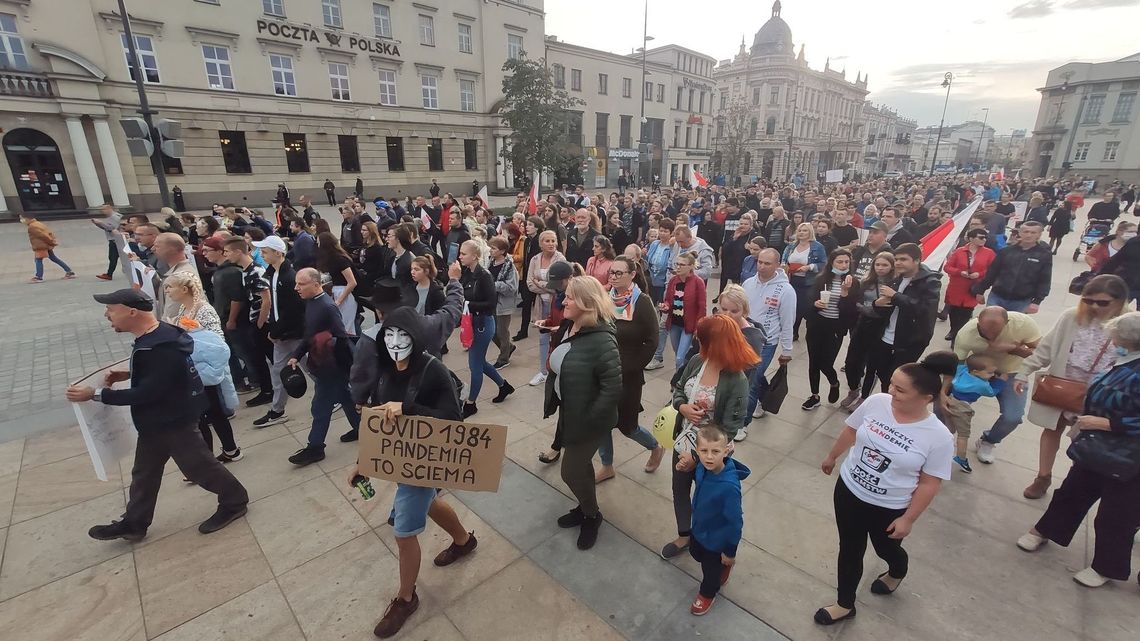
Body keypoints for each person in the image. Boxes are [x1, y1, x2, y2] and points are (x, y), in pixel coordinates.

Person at [67, 289, 249, 541]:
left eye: (111, 309)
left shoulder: (159, 346)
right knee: (144, 474)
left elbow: (147, 393)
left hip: (173, 423)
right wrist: (129, 373)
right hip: (156, 423)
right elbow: (163, 376)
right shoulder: (157, 337)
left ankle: (235, 501)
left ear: (132, 312)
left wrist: (95, 393)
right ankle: (134, 523)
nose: (107, 314)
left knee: (200, 468)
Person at [346, 306, 477, 638]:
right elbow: (381, 425)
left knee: (404, 532)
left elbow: (452, 420)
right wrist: (364, 463)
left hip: (427, 463)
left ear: (416, 338)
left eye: (402, 335)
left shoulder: (433, 370)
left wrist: (408, 408)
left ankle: (406, 598)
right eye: (388, 335)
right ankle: (464, 541)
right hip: (406, 460)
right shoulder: (386, 370)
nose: (394, 342)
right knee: (429, 504)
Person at [814, 352, 957, 626]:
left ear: (926, 398)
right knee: (850, 548)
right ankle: (845, 604)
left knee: (886, 549)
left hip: (890, 508)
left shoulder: (938, 436)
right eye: (892, 383)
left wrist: (908, 518)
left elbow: (930, 482)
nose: (891, 391)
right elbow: (852, 431)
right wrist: (832, 457)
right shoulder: (877, 402)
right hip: (849, 491)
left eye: (900, 389)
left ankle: (897, 569)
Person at [1015, 311, 1140, 588]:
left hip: (1129, 456)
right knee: (1072, 492)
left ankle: (1106, 567)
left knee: (1116, 514)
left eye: (1116, 336)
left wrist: (1110, 423)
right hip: (1097, 447)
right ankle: (1045, 530)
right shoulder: (1123, 361)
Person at [1013, 275, 1128, 498]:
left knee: (1087, 440)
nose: (1094, 306)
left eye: (1102, 302)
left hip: (1098, 395)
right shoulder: (1072, 318)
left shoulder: (1130, 326)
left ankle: (1076, 483)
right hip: (1062, 385)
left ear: (1120, 301)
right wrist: (1023, 372)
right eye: (1088, 300)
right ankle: (1043, 476)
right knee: (1051, 429)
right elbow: (1047, 347)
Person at [661, 315, 757, 560]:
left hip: (712, 451)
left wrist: (698, 456)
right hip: (684, 440)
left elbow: (730, 427)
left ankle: (709, 543)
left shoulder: (736, 379)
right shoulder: (696, 361)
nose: (696, 340)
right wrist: (682, 407)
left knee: (706, 499)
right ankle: (684, 534)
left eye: (701, 338)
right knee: (680, 489)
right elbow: (680, 389)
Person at [545, 276, 623, 550]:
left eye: (568, 297)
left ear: (587, 303)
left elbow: (612, 388)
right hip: (572, 411)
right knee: (582, 468)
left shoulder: (603, 340)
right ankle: (585, 506)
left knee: (570, 471)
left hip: (589, 420)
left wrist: (588, 421)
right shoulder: (573, 325)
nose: (563, 300)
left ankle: (592, 515)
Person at [594, 256, 665, 483]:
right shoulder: (606, 298)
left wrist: (633, 366)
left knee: (628, 426)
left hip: (628, 375)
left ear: (632, 274)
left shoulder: (642, 302)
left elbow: (652, 341)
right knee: (602, 421)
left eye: (618, 273)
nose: (612, 277)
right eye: (611, 273)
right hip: (604, 371)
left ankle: (655, 446)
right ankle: (607, 465)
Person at [286, 268, 361, 464]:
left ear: (316, 284)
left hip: (331, 367)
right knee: (345, 397)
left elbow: (342, 337)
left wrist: (342, 367)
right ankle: (361, 429)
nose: (296, 288)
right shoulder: (311, 303)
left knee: (320, 407)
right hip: (324, 365)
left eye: (301, 284)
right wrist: (297, 355)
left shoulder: (327, 307)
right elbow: (310, 334)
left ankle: (315, 447)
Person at [955, 307, 1042, 465]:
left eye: (995, 332)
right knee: (948, 404)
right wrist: (946, 391)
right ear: (978, 322)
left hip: (1011, 372)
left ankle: (988, 440)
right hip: (979, 371)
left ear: (1007, 323)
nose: (989, 336)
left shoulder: (1023, 324)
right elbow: (957, 364)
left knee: (1013, 417)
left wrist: (1013, 349)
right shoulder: (967, 333)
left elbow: (1040, 353)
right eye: (985, 331)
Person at [684, 425, 748, 616]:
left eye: (715, 451)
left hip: (717, 540)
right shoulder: (702, 469)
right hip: (699, 528)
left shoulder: (729, 487)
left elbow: (735, 523)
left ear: (726, 450)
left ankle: (708, 593)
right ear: (697, 450)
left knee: (709, 571)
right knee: (696, 553)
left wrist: (729, 551)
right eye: (704, 451)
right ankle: (722, 566)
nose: (709, 457)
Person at [864, 244, 941, 395]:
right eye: (896, 259)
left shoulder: (930, 282)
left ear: (917, 260)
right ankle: (886, 403)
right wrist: (877, 304)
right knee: (884, 375)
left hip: (909, 341)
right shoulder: (896, 279)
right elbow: (886, 308)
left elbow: (924, 310)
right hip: (886, 337)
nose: (898, 263)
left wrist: (895, 296)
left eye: (903, 259)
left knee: (899, 379)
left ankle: (892, 408)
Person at [249, 236, 304, 428]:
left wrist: (275, 330)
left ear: (278, 253)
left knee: (315, 370)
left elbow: (292, 310)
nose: (261, 255)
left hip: (295, 334)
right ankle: (277, 410)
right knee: (279, 372)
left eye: (265, 251)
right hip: (283, 334)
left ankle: (342, 396)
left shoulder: (288, 277)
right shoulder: (273, 274)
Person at [459, 240, 514, 417]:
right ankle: (504, 386)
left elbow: (490, 304)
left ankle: (471, 403)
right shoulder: (466, 272)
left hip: (483, 324)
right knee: (480, 362)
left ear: (475, 256)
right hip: (471, 322)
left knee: (474, 365)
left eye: (463, 254)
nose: (460, 256)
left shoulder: (484, 276)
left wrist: (468, 304)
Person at [740, 247, 796, 422]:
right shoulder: (748, 283)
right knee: (749, 375)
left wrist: (787, 350)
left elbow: (787, 321)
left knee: (752, 381)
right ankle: (761, 398)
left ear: (777, 265)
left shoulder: (786, 291)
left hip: (766, 343)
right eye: (760, 262)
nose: (762, 266)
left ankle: (744, 422)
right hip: (744, 338)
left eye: (767, 263)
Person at [222, 237, 275, 407]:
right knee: (261, 358)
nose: (226, 255)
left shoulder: (255, 271)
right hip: (256, 321)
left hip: (261, 322)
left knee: (267, 357)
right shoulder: (245, 270)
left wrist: (260, 324)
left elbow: (266, 300)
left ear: (238, 251)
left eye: (228, 251)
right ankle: (269, 389)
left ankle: (270, 390)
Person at [803, 249, 858, 410]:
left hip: (836, 327)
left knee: (826, 363)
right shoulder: (821, 279)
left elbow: (851, 312)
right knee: (814, 362)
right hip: (817, 324)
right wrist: (815, 305)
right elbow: (809, 302)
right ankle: (814, 395)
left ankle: (834, 383)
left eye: (846, 262)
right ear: (832, 263)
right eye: (839, 262)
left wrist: (845, 293)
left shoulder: (853, 283)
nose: (843, 265)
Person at [971, 221, 1052, 314]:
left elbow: (1045, 279)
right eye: (1026, 232)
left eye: (1033, 232)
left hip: (1022, 301)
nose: (1029, 235)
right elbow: (992, 272)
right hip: (997, 297)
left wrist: (1037, 301)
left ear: (1039, 234)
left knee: (1013, 327)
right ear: (1020, 233)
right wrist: (980, 290)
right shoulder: (1006, 251)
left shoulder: (1044, 255)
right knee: (991, 324)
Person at [942, 353, 1000, 474]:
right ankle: (961, 458)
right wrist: (1001, 382)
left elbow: (960, 366)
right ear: (975, 372)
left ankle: (939, 449)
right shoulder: (981, 384)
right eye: (989, 373)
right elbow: (991, 392)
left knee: (949, 429)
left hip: (951, 401)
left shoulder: (962, 371)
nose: (992, 375)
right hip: (963, 408)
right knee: (963, 435)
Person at [526, 231, 567, 386]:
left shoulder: (560, 259)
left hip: (557, 305)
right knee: (543, 338)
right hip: (541, 304)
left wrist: (540, 283)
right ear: (541, 243)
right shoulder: (535, 259)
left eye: (553, 240)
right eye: (547, 241)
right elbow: (530, 284)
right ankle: (543, 371)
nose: (551, 243)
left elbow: (558, 287)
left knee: (558, 337)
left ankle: (558, 369)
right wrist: (545, 286)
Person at [942, 228, 996, 344]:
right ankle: (954, 330)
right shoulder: (959, 251)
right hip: (957, 286)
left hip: (973, 287)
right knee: (954, 310)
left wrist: (980, 274)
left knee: (966, 311)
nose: (984, 240)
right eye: (980, 237)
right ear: (971, 238)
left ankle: (959, 334)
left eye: (985, 237)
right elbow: (947, 267)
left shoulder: (989, 253)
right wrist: (959, 272)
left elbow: (993, 270)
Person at [781, 223, 828, 341]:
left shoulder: (817, 247)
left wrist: (810, 267)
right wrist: (784, 266)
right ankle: (794, 331)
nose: (802, 232)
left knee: (806, 306)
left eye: (805, 230)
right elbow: (784, 259)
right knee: (794, 306)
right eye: (800, 230)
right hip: (792, 279)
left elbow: (823, 264)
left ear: (810, 232)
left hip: (809, 281)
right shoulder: (792, 246)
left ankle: (811, 331)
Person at [661, 253, 707, 370]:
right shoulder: (673, 281)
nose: (678, 267)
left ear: (691, 266)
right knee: (678, 355)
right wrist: (666, 306)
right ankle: (681, 375)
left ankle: (678, 382)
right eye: (677, 264)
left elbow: (702, 307)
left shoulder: (698, 282)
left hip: (688, 326)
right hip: (674, 323)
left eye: (682, 264)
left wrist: (699, 326)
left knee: (680, 358)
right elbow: (668, 300)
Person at [315, 231, 360, 339]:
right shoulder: (333, 258)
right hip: (337, 292)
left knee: (346, 328)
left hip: (344, 294)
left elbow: (352, 282)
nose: (318, 246)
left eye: (319, 243)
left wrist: (339, 300)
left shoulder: (339, 259)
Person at [487, 237, 519, 369]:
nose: (491, 250)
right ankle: (508, 348)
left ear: (502, 251)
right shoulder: (490, 262)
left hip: (503, 304)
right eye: (491, 247)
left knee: (501, 331)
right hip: (491, 302)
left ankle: (503, 358)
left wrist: (494, 285)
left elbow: (512, 288)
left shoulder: (509, 266)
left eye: (494, 248)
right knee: (492, 332)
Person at [513, 217, 544, 341]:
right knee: (526, 304)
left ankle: (543, 326)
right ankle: (523, 330)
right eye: (527, 224)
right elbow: (526, 260)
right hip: (527, 276)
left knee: (541, 303)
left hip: (537, 277)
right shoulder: (527, 241)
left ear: (537, 226)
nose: (527, 227)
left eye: (530, 225)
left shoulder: (539, 240)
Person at [22, 214, 75, 283]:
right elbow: (49, 233)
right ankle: (69, 272)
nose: (21, 221)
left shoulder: (32, 227)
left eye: (22, 218)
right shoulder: (38, 223)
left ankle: (38, 277)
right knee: (53, 258)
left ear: (27, 218)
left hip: (40, 246)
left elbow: (43, 236)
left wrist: (51, 242)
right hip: (45, 245)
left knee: (38, 260)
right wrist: (51, 241)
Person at [720, 216, 754, 294]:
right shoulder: (735, 234)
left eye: (746, 224)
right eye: (741, 223)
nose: (743, 226)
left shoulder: (754, 235)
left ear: (750, 225)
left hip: (748, 268)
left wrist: (750, 249)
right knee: (737, 291)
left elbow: (760, 250)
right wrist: (734, 238)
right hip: (735, 268)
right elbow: (725, 249)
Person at [92, 203, 125, 281]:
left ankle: (109, 274)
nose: (102, 211)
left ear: (109, 208)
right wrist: (98, 224)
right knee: (113, 257)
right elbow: (106, 229)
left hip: (115, 240)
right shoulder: (110, 217)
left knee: (113, 257)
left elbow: (112, 228)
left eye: (103, 209)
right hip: (114, 239)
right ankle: (109, 274)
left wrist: (100, 223)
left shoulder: (115, 217)